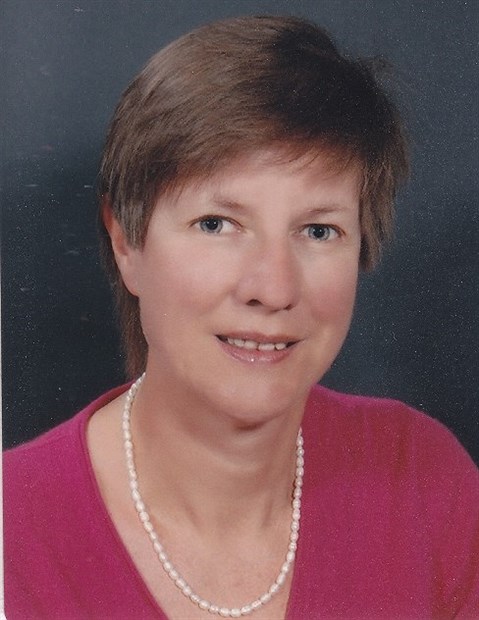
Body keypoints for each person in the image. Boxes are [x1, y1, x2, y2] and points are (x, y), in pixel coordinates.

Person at [4, 14, 478, 620]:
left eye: (318, 230)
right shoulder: (14, 526)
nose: (273, 288)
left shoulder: (423, 478)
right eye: (217, 224)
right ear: (126, 242)